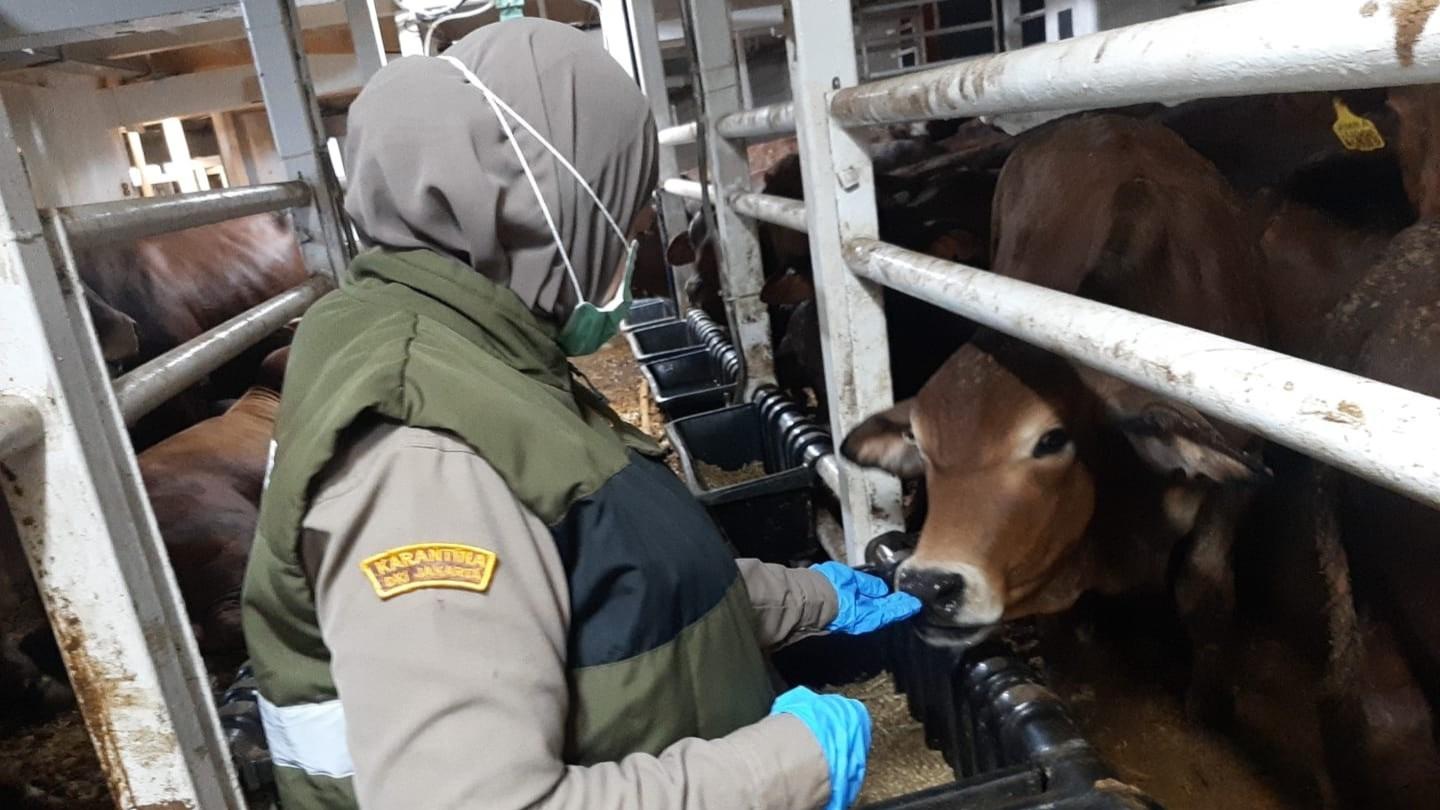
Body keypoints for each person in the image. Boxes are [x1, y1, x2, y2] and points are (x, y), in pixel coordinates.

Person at [241, 19, 921, 810]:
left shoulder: (476, 358)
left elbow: (599, 588)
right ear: (552, 207)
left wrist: (815, 598)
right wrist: (789, 764)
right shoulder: (425, 455)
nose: (635, 240)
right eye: (626, 211)